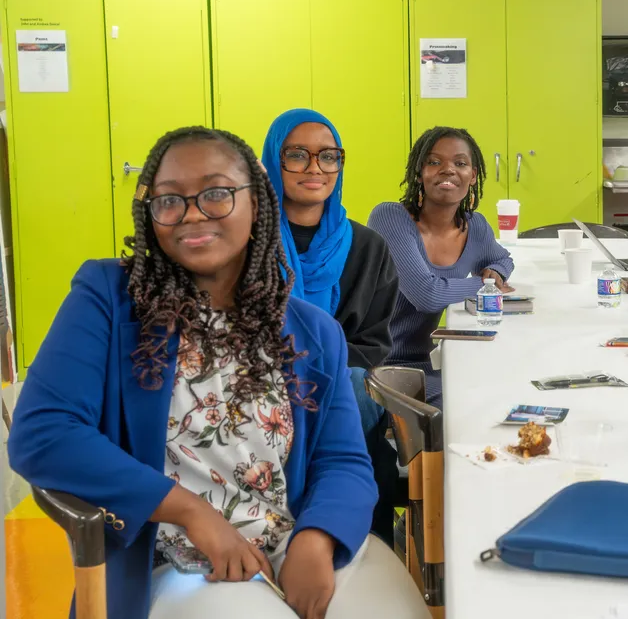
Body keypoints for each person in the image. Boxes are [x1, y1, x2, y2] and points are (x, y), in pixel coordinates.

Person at [8, 127, 426, 619]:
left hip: (295, 543)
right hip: (174, 563)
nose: (191, 213)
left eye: (216, 193)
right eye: (169, 200)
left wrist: (316, 541)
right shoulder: (108, 298)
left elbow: (344, 461)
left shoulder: (313, 331)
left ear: (258, 203)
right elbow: (43, 433)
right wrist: (190, 511)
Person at [261, 108, 400, 549]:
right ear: (272, 161)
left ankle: (332, 524)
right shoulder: (249, 241)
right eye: (297, 155)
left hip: (346, 382)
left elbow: (375, 343)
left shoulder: (367, 246)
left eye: (329, 156)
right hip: (265, 376)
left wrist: (320, 373)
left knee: (355, 387)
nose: (315, 168)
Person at [368, 126, 515, 408]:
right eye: (434, 162)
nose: (448, 170)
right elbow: (427, 294)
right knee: (477, 402)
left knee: (502, 383)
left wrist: (496, 272)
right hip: (377, 369)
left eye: (460, 163)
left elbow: (503, 258)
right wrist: (486, 286)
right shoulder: (390, 218)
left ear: (473, 176)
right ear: (419, 172)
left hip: (422, 365)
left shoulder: (475, 226)